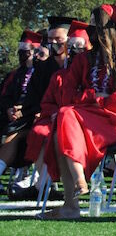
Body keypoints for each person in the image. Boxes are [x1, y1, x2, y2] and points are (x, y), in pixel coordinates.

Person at [41, 0, 116, 219]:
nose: (90, 31)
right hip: (85, 119)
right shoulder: (84, 60)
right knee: (64, 116)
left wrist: (91, 100)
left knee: (65, 118)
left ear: (107, 29)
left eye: (94, 26)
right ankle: (77, 187)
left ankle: (72, 201)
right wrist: (93, 95)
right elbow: (68, 93)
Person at [13, 21, 92, 200]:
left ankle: (52, 183)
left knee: (57, 133)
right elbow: (43, 99)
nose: (55, 44)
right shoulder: (52, 71)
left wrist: (67, 112)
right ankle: (45, 183)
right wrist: (43, 112)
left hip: (78, 119)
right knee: (39, 131)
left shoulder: (89, 70)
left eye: (60, 39)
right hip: (51, 116)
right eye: (51, 40)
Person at [0, 30, 48, 188]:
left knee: (13, 135)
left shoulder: (44, 72)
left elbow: (44, 97)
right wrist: (9, 109)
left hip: (34, 116)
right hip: (14, 117)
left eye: (27, 51)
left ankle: (35, 177)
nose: (23, 55)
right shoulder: (14, 75)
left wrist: (26, 109)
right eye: (21, 51)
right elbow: (4, 95)